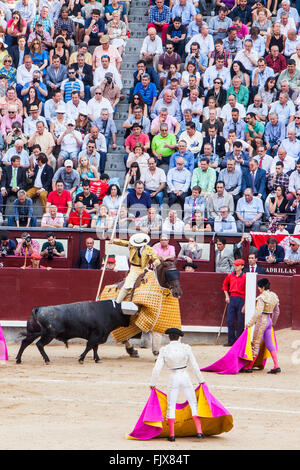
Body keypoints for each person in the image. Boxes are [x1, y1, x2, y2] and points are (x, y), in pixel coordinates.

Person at [149, 327, 205, 442]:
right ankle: (199, 431)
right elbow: (194, 365)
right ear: (179, 337)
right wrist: (201, 380)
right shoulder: (186, 348)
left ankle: (172, 435)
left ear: (169, 337)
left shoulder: (165, 350)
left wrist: (153, 383)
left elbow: (157, 369)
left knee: (171, 405)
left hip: (173, 377)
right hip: (185, 376)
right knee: (193, 403)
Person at [109, 232, 160, 304]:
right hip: (134, 268)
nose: (137, 246)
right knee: (127, 285)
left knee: (155, 281)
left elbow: (156, 259)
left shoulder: (149, 249)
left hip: (145, 269)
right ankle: (117, 302)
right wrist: (114, 241)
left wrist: (155, 263)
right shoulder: (132, 245)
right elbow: (123, 242)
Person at [244, 278, 281, 374]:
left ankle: (249, 366)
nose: (259, 290)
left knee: (256, 344)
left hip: (261, 322)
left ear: (263, 287)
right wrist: (272, 323)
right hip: (269, 321)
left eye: (259, 288)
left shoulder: (261, 298)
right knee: (270, 344)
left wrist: (249, 324)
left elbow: (258, 313)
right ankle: (276, 366)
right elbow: (277, 312)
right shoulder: (274, 296)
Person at [222, 258, 246, 347]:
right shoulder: (230, 275)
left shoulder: (245, 276)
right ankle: (231, 341)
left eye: (237, 265)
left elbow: (248, 291)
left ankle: (238, 343)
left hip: (241, 299)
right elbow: (224, 286)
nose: (235, 267)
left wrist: (245, 304)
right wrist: (227, 296)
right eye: (235, 265)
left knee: (240, 321)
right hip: (232, 298)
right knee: (229, 321)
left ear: (242, 266)